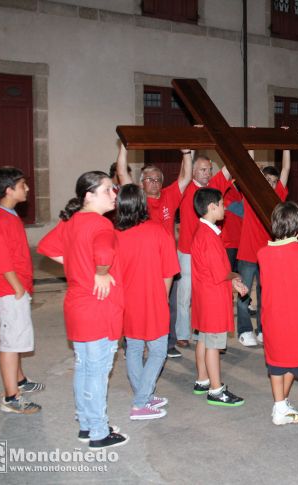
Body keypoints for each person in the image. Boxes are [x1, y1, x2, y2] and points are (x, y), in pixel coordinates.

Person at [38, 171, 128, 449]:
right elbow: (104, 255)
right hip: (98, 307)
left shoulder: (72, 221)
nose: (114, 195)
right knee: (98, 371)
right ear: (89, 195)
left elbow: (45, 246)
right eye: (107, 190)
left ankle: (88, 425)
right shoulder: (101, 225)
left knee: (85, 368)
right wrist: (98, 271)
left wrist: (78, 267)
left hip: (77, 304)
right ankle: (99, 432)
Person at [116, 145, 192, 357]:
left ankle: (167, 343)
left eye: (158, 179)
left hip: (166, 260)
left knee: (169, 302)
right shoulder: (136, 198)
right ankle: (132, 341)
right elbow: (122, 172)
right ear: (141, 182)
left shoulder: (169, 196)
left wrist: (186, 153)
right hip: (141, 261)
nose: (155, 183)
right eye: (150, 179)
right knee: (135, 303)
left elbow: (185, 178)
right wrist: (124, 145)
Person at [115, 185, 180, 420]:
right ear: (142, 204)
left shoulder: (116, 235)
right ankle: (141, 402)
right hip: (153, 299)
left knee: (133, 349)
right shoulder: (159, 231)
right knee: (158, 351)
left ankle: (144, 393)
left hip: (127, 302)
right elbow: (169, 273)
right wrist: (162, 299)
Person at [0, 167, 44, 415]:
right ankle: (11, 397)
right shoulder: (0, 220)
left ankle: (19, 380)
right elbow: (2, 260)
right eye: (22, 185)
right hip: (9, 290)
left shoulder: (8, 214)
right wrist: (18, 289)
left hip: (14, 289)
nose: (27, 188)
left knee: (17, 337)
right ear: (9, 190)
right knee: (11, 343)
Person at [258, 202, 298, 425]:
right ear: (297, 226)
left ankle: (280, 405)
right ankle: (281, 406)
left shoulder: (263, 253)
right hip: (295, 316)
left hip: (273, 315)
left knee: (275, 360)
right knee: (294, 360)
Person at [190, 188, 249, 406]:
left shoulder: (202, 230)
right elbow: (220, 273)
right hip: (213, 298)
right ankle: (216, 390)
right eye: (222, 204)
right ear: (212, 207)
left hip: (204, 295)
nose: (225, 208)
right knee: (214, 344)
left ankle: (202, 379)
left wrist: (233, 281)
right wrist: (236, 278)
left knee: (204, 339)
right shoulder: (209, 237)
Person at [174, 154, 233, 354]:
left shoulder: (212, 188)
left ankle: (203, 333)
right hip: (187, 250)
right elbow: (185, 166)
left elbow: (229, 167)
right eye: (202, 170)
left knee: (204, 295)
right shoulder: (186, 188)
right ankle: (182, 333)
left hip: (207, 252)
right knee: (185, 296)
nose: (207, 174)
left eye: (209, 169)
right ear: (192, 171)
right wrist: (187, 150)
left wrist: (242, 146)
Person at [235, 151, 290, 347]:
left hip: (269, 256)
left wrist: (286, 146)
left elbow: (286, 169)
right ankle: (244, 330)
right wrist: (250, 145)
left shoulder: (277, 198)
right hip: (248, 254)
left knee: (265, 295)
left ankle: (262, 330)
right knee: (244, 294)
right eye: (266, 179)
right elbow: (247, 168)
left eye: (274, 181)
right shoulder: (251, 194)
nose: (271, 183)